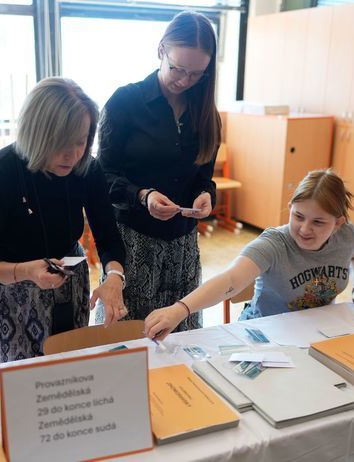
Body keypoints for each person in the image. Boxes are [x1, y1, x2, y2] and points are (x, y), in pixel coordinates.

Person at [0, 78, 127, 364]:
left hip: (69, 283)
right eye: (60, 144)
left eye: (81, 141)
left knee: (70, 373)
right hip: (11, 292)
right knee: (18, 382)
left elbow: (109, 237)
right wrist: (27, 271)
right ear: (35, 133)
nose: (72, 154)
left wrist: (114, 277)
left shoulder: (86, 167)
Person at [144, 169, 354, 340]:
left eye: (318, 222)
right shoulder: (275, 243)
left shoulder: (347, 235)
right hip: (265, 334)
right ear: (290, 208)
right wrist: (179, 310)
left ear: (338, 223)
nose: (304, 229)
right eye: (298, 216)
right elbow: (230, 280)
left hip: (316, 331)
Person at [97, 11, 221, 332]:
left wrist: (207, 195)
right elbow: (103, 176)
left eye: (197, 74)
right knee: (131, 340)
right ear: (160, 51)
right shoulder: (125, 102)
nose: (184, 80)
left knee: (183, 339)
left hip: (183, 248)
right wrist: (143, 195)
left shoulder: (206, 114)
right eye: (178, 68)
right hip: (134, 243)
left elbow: (204, 177)